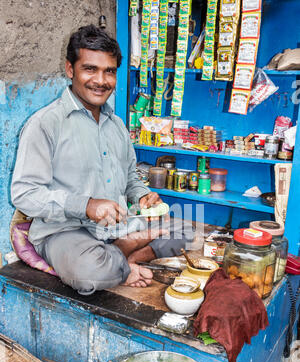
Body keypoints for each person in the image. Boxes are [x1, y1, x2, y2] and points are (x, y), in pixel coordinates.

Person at [11, 24, 194, 296]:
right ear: (70, 69)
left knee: (186, 229)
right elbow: (24, 194)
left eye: (109, 71)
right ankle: (125, 261)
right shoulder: (45, 124)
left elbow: (131, 177)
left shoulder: (117, 125)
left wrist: (143, 195)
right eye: (90, 69)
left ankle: (121, 259)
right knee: (88, 271)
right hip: (67, 232)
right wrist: (85, 205)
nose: (101, 80)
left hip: (118, 226)